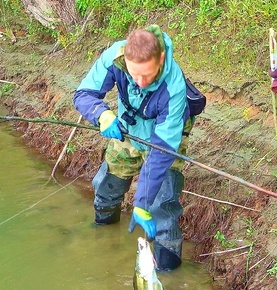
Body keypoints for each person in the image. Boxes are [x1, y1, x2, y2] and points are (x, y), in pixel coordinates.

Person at [72, 24, 194, 272]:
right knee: (106, 188)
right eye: (134, 74)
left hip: (164, 140)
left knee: (162, 205)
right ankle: (104, 237)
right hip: (127, 131)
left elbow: (161, 151)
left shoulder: (174, 85)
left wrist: (141, 203)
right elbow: (83, 93)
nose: (140, 82)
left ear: (160, 58)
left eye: (147, 75)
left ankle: (167, 269)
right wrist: (102, 115)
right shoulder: (114, 58)